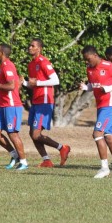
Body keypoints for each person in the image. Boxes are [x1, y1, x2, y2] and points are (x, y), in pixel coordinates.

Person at [80, 45, 112, 179]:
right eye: (85, 60)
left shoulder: (108, 66)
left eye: (88, 59)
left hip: (110, 105)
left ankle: (104, 168)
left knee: (97, 133)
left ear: (96, 55)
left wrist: (110, 88)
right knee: (109, 136)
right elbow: (94, 85)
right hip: (101, 106)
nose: (87, 62)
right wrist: (86, 87)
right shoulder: (90, 69)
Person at [23, 38, 71, 168]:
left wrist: (37, 83)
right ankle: (46, 160)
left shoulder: (43, 61)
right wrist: (23, 82)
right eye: (29, 45)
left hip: (44, 102)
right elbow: (34, 85)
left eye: (32, 46)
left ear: (39, 48)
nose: (30, 47)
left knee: (35, 134)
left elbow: (55, 80)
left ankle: (62, 148)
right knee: (32, 134)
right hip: (36, 101)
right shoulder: (31, 64)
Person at [0, 44, 28, 171]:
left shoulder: (7, 66)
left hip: (12, 105)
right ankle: (14, 155)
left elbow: (11, 86)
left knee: (12, 134)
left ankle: (24, 162)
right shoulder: (2, 66)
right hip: (3, 104)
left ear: (2, 53)